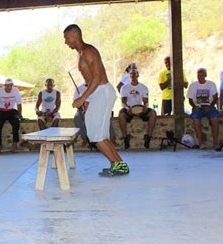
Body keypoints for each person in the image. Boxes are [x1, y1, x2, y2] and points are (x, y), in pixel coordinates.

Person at [64, 24, 129, 176]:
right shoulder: (81, 53)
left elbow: (98, 77)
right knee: (100, 134)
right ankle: (119, 164)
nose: (66, 42)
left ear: (75, 34)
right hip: (98, 93)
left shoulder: (88, 51)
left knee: (95, 135)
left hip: (103, 92)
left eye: (67, 38)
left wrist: (82, 98)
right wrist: (88, 100)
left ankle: (119, 165)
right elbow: (92, 79)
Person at [118, 69, 157, 149]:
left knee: (153, 113)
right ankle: (125, 137)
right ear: (129, 75)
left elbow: (146, 101)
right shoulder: (124, 88)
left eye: (134, 73)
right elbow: (123, 102)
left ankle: (148, 137)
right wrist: (127, 108)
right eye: (131, 73)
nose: (133, 75)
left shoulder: (143, 87)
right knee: (121, 114)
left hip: (140, 108)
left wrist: (145, 107)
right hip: (129, 108)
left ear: (138, 75)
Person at [187, 68, 220, 149]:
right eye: (198, 75)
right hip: (198, 107)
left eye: (202, 75)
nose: (200, 77)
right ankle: (201, 142)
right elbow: (190, 99)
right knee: (196, 120)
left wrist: (211, 106)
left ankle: (216, 142)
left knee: (215, 119)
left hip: (209, 106)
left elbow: (215, 98)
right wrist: (194, 107)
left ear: (205, 76)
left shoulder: (211, 84)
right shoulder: (193, 85)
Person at [0, 78, 22, 153]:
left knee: (16, 123)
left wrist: (19, 116)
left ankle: (15, 144)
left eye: (10, 85)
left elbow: (19, 104)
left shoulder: (16, 91)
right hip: (1, 111)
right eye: (7, 85)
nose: (9, 87)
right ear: (4, 85)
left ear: (12, 85)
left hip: (11, 111)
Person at [72, 82, 89, 147]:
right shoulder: (79, 88)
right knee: (77, 118)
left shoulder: (96, 87)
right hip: (81, 110)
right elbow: (74, 103)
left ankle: (93, 140)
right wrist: (80, 105)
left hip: (94, 110)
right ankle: (84, 138)